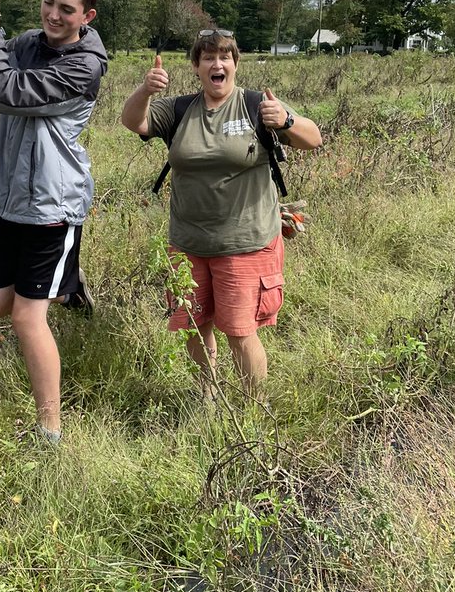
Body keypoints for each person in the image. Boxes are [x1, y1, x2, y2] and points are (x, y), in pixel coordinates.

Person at [121, 28, 321, 393]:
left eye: (225, 57)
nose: (217, 64)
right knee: (196, 327)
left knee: (240, 333)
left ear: (235, 63)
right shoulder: (179, 109)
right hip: (188, 243)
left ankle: (251, 410)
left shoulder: (258, 105)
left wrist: (286, 121)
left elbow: (314, 138)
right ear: (196, 66)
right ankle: (208, 395)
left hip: (245, 243)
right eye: (208, 57)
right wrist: (146, 90)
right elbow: (135, 122)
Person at [0, 0, 108, 444]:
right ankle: (67, 289)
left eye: (66, 9)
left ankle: (50, 431)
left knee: (27, 317)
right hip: (10, 198)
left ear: (86, 16)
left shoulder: (83, 66)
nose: (53, 14)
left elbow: (5, 93)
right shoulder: (28, 43)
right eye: (49, 2)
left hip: (53, 205)